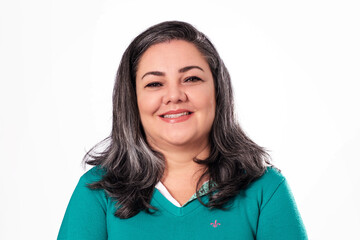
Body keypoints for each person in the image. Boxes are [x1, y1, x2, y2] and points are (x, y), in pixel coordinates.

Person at [58, 21, 307, 240]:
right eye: (154, 83)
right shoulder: (97, 191)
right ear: (132, 100)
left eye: (191, 79)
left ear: (218, 90)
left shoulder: (266, 190)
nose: (174, 96)